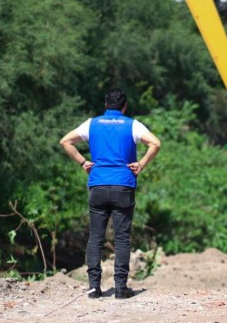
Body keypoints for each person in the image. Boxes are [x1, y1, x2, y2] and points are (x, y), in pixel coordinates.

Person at [59, 88, 161, 299]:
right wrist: (141, 164)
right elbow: (155, 143)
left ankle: (94, 287)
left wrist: (83, 162)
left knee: (95, 237)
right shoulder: (132, 124)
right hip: (123, 185)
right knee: (122, 238)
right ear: (124, 107)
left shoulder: (92, 124)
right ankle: (121, 288)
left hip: (97, 185)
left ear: (106, 105)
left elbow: (65, 141)